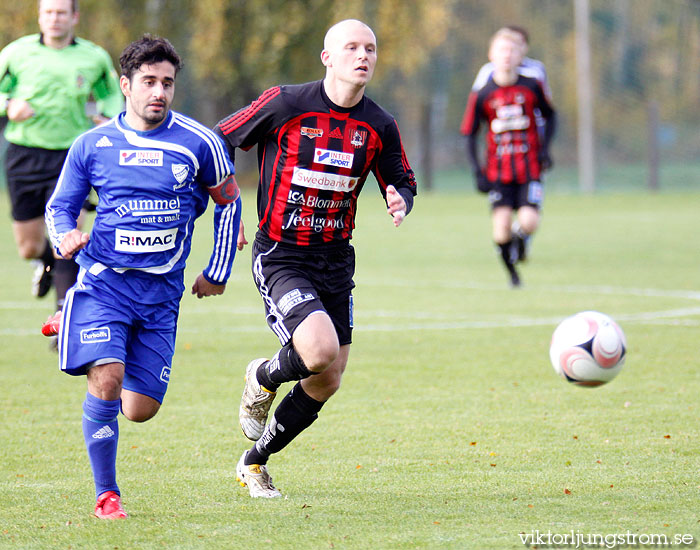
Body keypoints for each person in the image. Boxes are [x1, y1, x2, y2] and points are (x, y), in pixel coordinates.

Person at [214, 19, 417, 498]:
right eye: (351, 47)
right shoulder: (286, 103)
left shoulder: (379, 124)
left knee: (328, 379)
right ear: (327, 57)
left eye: (370, 47)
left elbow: (400, 176)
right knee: (318, 351)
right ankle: (262, 376)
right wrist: (228, 206)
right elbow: (219, 139)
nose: (362, 55)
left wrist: (399, 197)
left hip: (335, 260)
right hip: (281, 254)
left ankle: (254, 461)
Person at [43, 34, 242, 519]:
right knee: (107, 377)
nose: (159, 91)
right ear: (125, 85)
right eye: (149, 82)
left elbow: (229, 201)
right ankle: (107, 495)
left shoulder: (202, 143)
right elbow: (59, 207)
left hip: (161, 296)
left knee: (139, 409)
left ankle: (68, 320)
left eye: (168, 83)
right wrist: (65, 236)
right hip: (105, 283)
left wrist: (216, 270)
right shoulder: (92, 144)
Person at [0, 0, 123, 315]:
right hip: (24, 154)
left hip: (73, 154)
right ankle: (44, 263)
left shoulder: (93, 57)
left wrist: (109, 115)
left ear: (74, 17)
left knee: (68, 233)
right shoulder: (16, 53)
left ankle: (64, 317)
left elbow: (112, 93)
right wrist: (9, 104)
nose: (54, 19)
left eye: (61, 13)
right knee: (28, 246)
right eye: (49, 12)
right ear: (39, 17)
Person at [460, 28, 556, 287]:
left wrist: (545, 150)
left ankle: (522, 239)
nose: (507, 55)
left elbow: (550, 115)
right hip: (498, 171)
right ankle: (513, 274)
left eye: (513, 50)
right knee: (500, 229)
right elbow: (469, 132)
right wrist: (477, 171)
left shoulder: (531, 85)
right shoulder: (484, 92)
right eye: (502, 50)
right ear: (491, 55)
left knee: (529, 221)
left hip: (530, 168)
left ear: (521, 55)